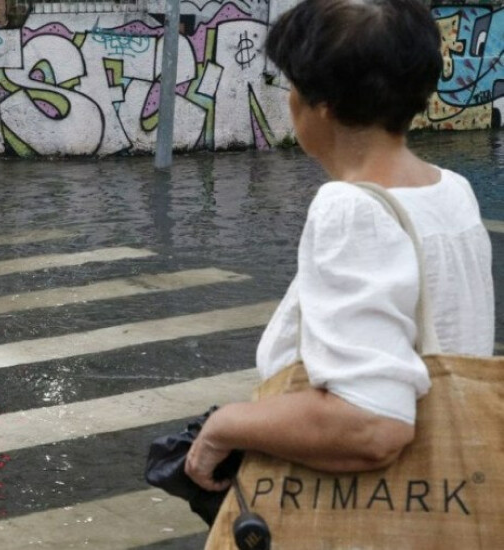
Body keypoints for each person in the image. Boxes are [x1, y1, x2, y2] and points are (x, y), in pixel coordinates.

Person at [184, 0, 494, 493]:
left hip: (377, 508)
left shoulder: (350, 208)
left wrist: (226, 425)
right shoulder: (451, 190)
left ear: (320, 103)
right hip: (452, 487)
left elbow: (372, 425)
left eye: (292, 85)